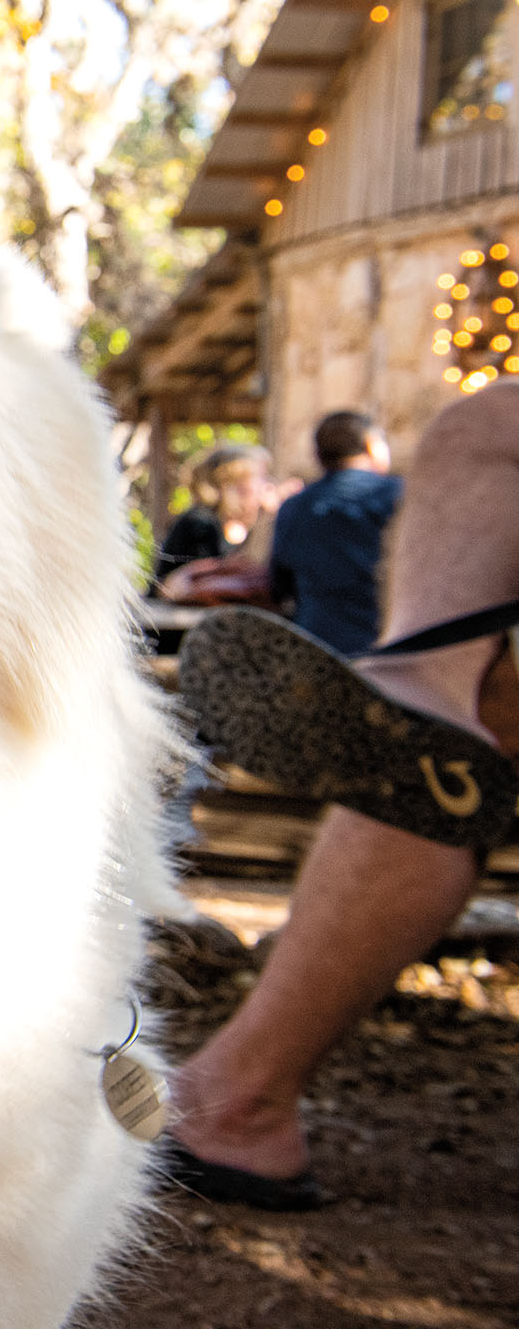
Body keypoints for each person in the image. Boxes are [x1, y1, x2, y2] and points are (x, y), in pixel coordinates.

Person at [167, 382, 519, 1209]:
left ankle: (422, 694)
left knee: (485, 433)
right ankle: (425, 696)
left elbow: (276, 581)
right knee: (486, 429)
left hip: (365, 648)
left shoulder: (296, 514)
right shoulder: (376, 494)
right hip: (417, 659)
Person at [268, 410, 402, 654]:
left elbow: (279, 585)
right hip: (389, 649)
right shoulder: (399, 498)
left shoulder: (295, 507)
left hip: (318, 649)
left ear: (319, 456)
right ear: (372, 446)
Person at [151, 442, 274, 604]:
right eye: (262, 478)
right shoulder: (199, 523)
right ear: (235, 485)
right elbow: (188, 584)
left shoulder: (246, 526)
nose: (268, 486)